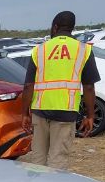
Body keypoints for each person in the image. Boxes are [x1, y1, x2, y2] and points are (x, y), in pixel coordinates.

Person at [22, 11, 100, 169]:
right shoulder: (83, 50)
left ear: (55, 27)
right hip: (66, 111)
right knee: (58, 159)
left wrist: (25, 113)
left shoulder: (39, 50)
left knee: (38, 157)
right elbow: (89, 86)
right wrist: (90, 115)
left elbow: (28, 86)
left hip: (40, 110)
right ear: (72, 28)